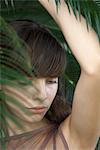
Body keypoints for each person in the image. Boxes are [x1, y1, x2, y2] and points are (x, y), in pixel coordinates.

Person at [1, 0, 100, 150]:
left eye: (51, 81)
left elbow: (95, 66)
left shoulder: (68, 141)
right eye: (25, 82)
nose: (41, 95)